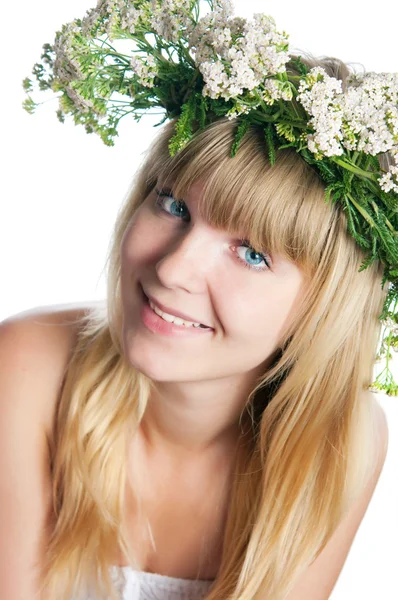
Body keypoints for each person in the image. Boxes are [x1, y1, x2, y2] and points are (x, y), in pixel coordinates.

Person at [1, 1, 394, 599]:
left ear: (323, 308)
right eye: (173, 206)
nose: (173, 268)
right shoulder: (27, 365)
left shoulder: (337, 443)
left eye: (253, 252)